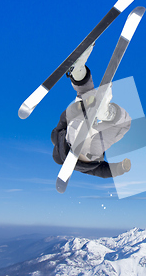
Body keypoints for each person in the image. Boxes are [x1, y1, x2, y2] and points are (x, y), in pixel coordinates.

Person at [51, 44, 132, 178]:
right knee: (85, 93)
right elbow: (66, 115)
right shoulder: (58, 135)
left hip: (90, 153)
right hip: (75, 132)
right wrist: (81, 106)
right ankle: (77, 71)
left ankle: (105, 112)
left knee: (124, 124)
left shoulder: (80, 167)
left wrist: (120, 168)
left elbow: (103, 172)